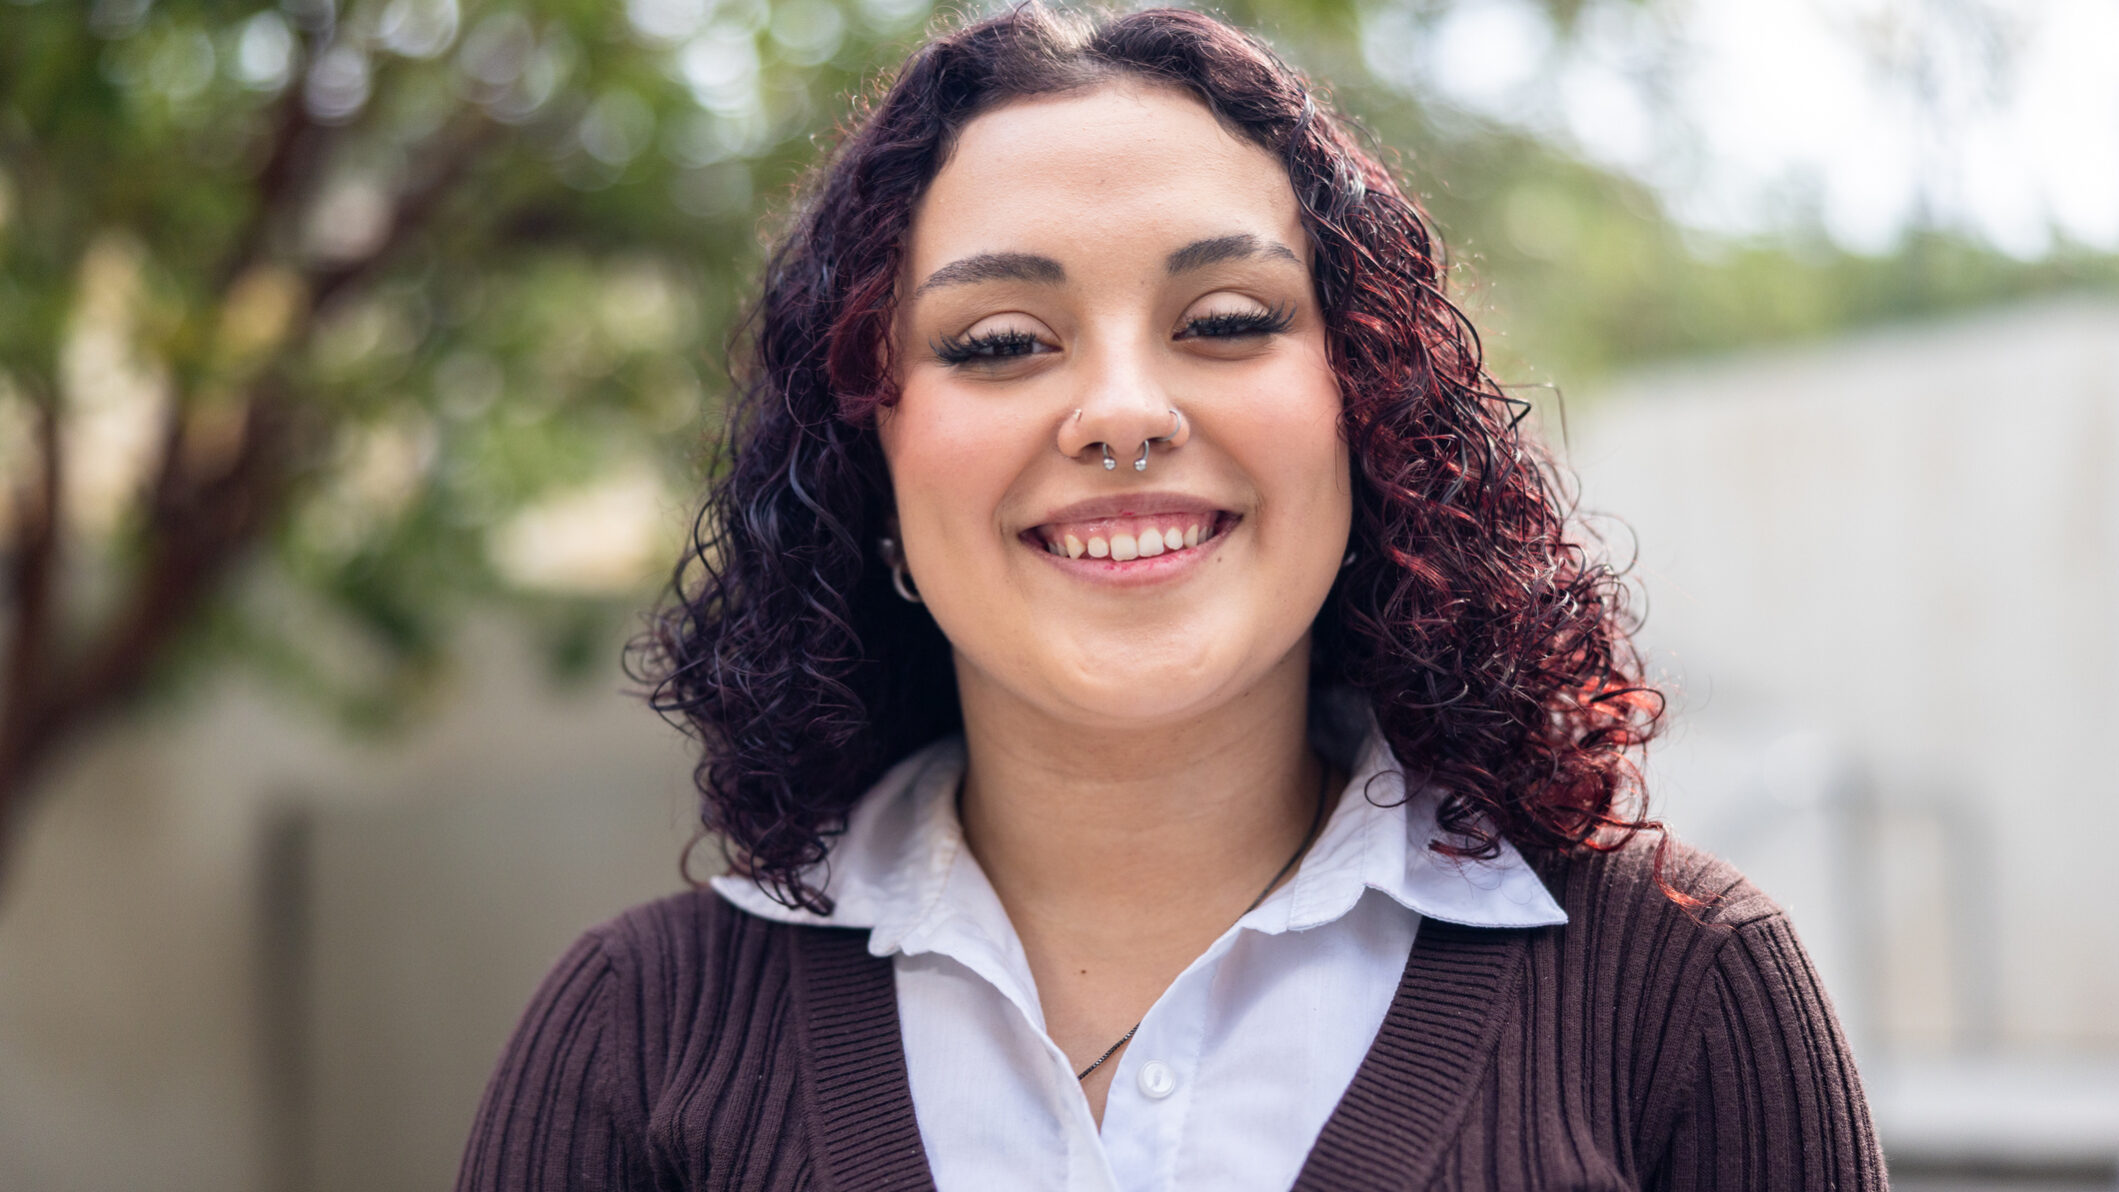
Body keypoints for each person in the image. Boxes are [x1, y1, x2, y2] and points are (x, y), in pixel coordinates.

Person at [457, 6, 1884, 1189]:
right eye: (1003, 340)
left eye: (1225, 323)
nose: (1123, 412)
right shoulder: (638, 1039)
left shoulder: (1685, 992)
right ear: (866, 456)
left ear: (1365, 409)